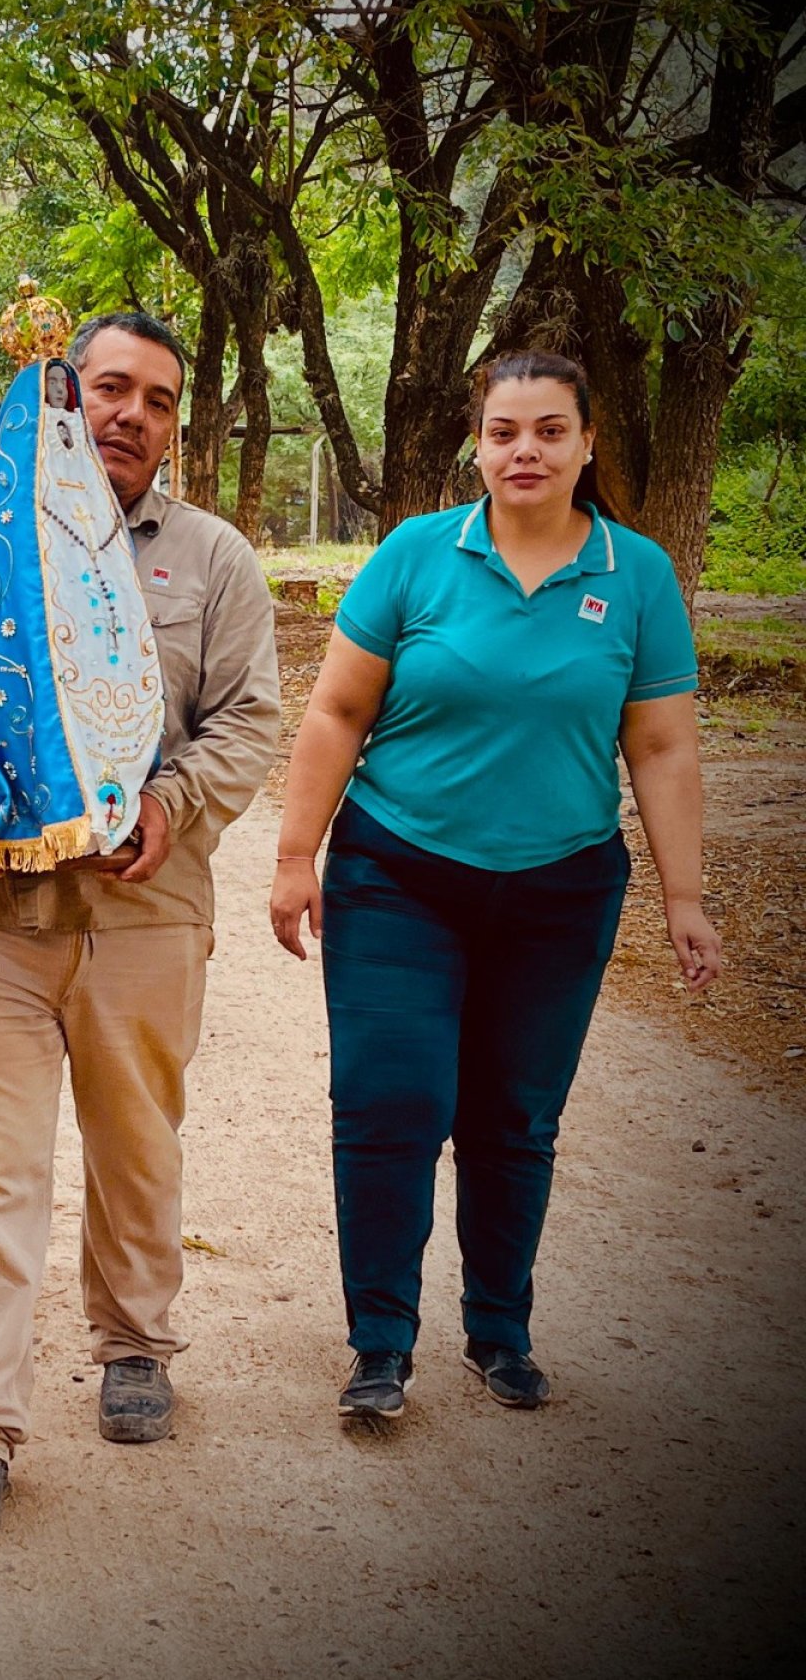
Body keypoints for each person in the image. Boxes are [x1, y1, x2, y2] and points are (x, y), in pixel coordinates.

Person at [0, 310, 280, 1543]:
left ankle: (136, 1341)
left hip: (145, 911)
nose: (132, 417)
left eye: (158, 401)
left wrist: (172, 801)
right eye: (112, 390)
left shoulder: (213, 560)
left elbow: (249, 718)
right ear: (63, 394)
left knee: (136, 1138)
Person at [270, 348, 721, 1424]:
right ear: (477, 445)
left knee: (515, 1117)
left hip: (560, 890)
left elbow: (660, 749)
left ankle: (499, 1330)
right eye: (506, 431)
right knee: (391, 1104)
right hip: (398, 875)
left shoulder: (636, 573)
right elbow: (336, 712)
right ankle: (380, 1344)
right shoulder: (417, 555)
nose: (526, 450)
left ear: (587, 444)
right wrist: (297, 857)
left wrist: (685, 896)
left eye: (550, 430)